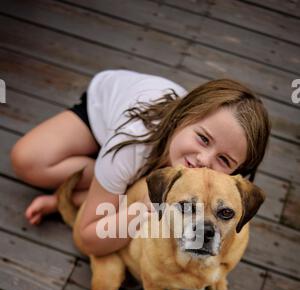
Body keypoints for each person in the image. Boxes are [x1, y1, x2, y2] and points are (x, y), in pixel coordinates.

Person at [10, 69, 271, 258]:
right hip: (102, 112)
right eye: (203, 138)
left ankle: (100, 188)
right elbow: (87, 240)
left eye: (224, 160)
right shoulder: (132, 141)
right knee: (26, 160)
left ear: (238, 170)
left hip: (138, 160)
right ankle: (108, 182)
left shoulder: (221, 183)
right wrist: (142, 209)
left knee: (127, 188)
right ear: (182, 118)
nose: (204, 161)